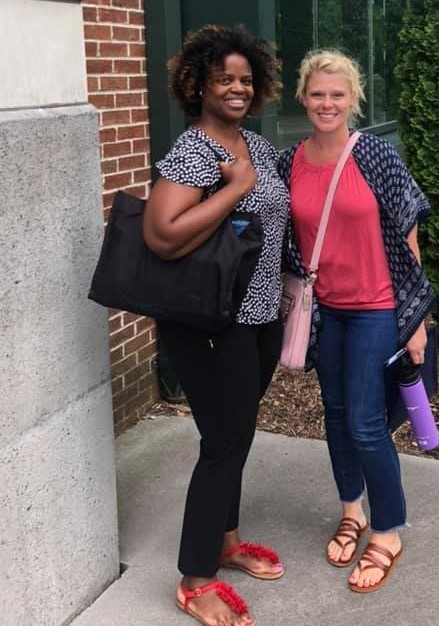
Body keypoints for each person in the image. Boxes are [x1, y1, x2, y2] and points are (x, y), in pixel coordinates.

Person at [143, 24, 289, 626]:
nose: (236, 88)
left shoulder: (254, 143)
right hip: (211, 322)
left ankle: (225, 542)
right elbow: (161, 234)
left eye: (245, 80)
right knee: (223, 444)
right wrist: (238, 190)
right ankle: (195, 577)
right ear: (197, 84)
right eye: (223, 78)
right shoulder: (195, 151)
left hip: (257, 318)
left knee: (237, 436)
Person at [277, 50, 435, 593]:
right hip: (325, 310)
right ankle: (353, 511)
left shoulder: (375, 156)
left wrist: (416, 320)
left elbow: (410, 233)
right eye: (317, 94)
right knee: (336, 414)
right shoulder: (289, 160)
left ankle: (388, 531)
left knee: (367, 423)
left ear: (353, 100)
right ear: (303, 97)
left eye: (337, 95)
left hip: (375, 307)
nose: (326, 103)